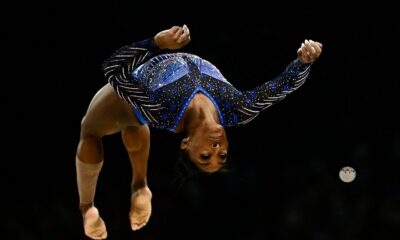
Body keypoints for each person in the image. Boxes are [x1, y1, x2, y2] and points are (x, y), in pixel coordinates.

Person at [75, 24, 322, 239]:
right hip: (144, 106)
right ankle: (140, 186)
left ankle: (87, 207)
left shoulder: (162, 109)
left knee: (90, 131)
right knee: (135, 126)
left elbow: (113, 68)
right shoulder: (238, 109)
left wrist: (157, 42)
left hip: (137, 90)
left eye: (205, 157)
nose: (217, 150)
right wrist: (304, 62)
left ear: (186, 144)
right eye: (222, 155)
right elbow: (282, 87)